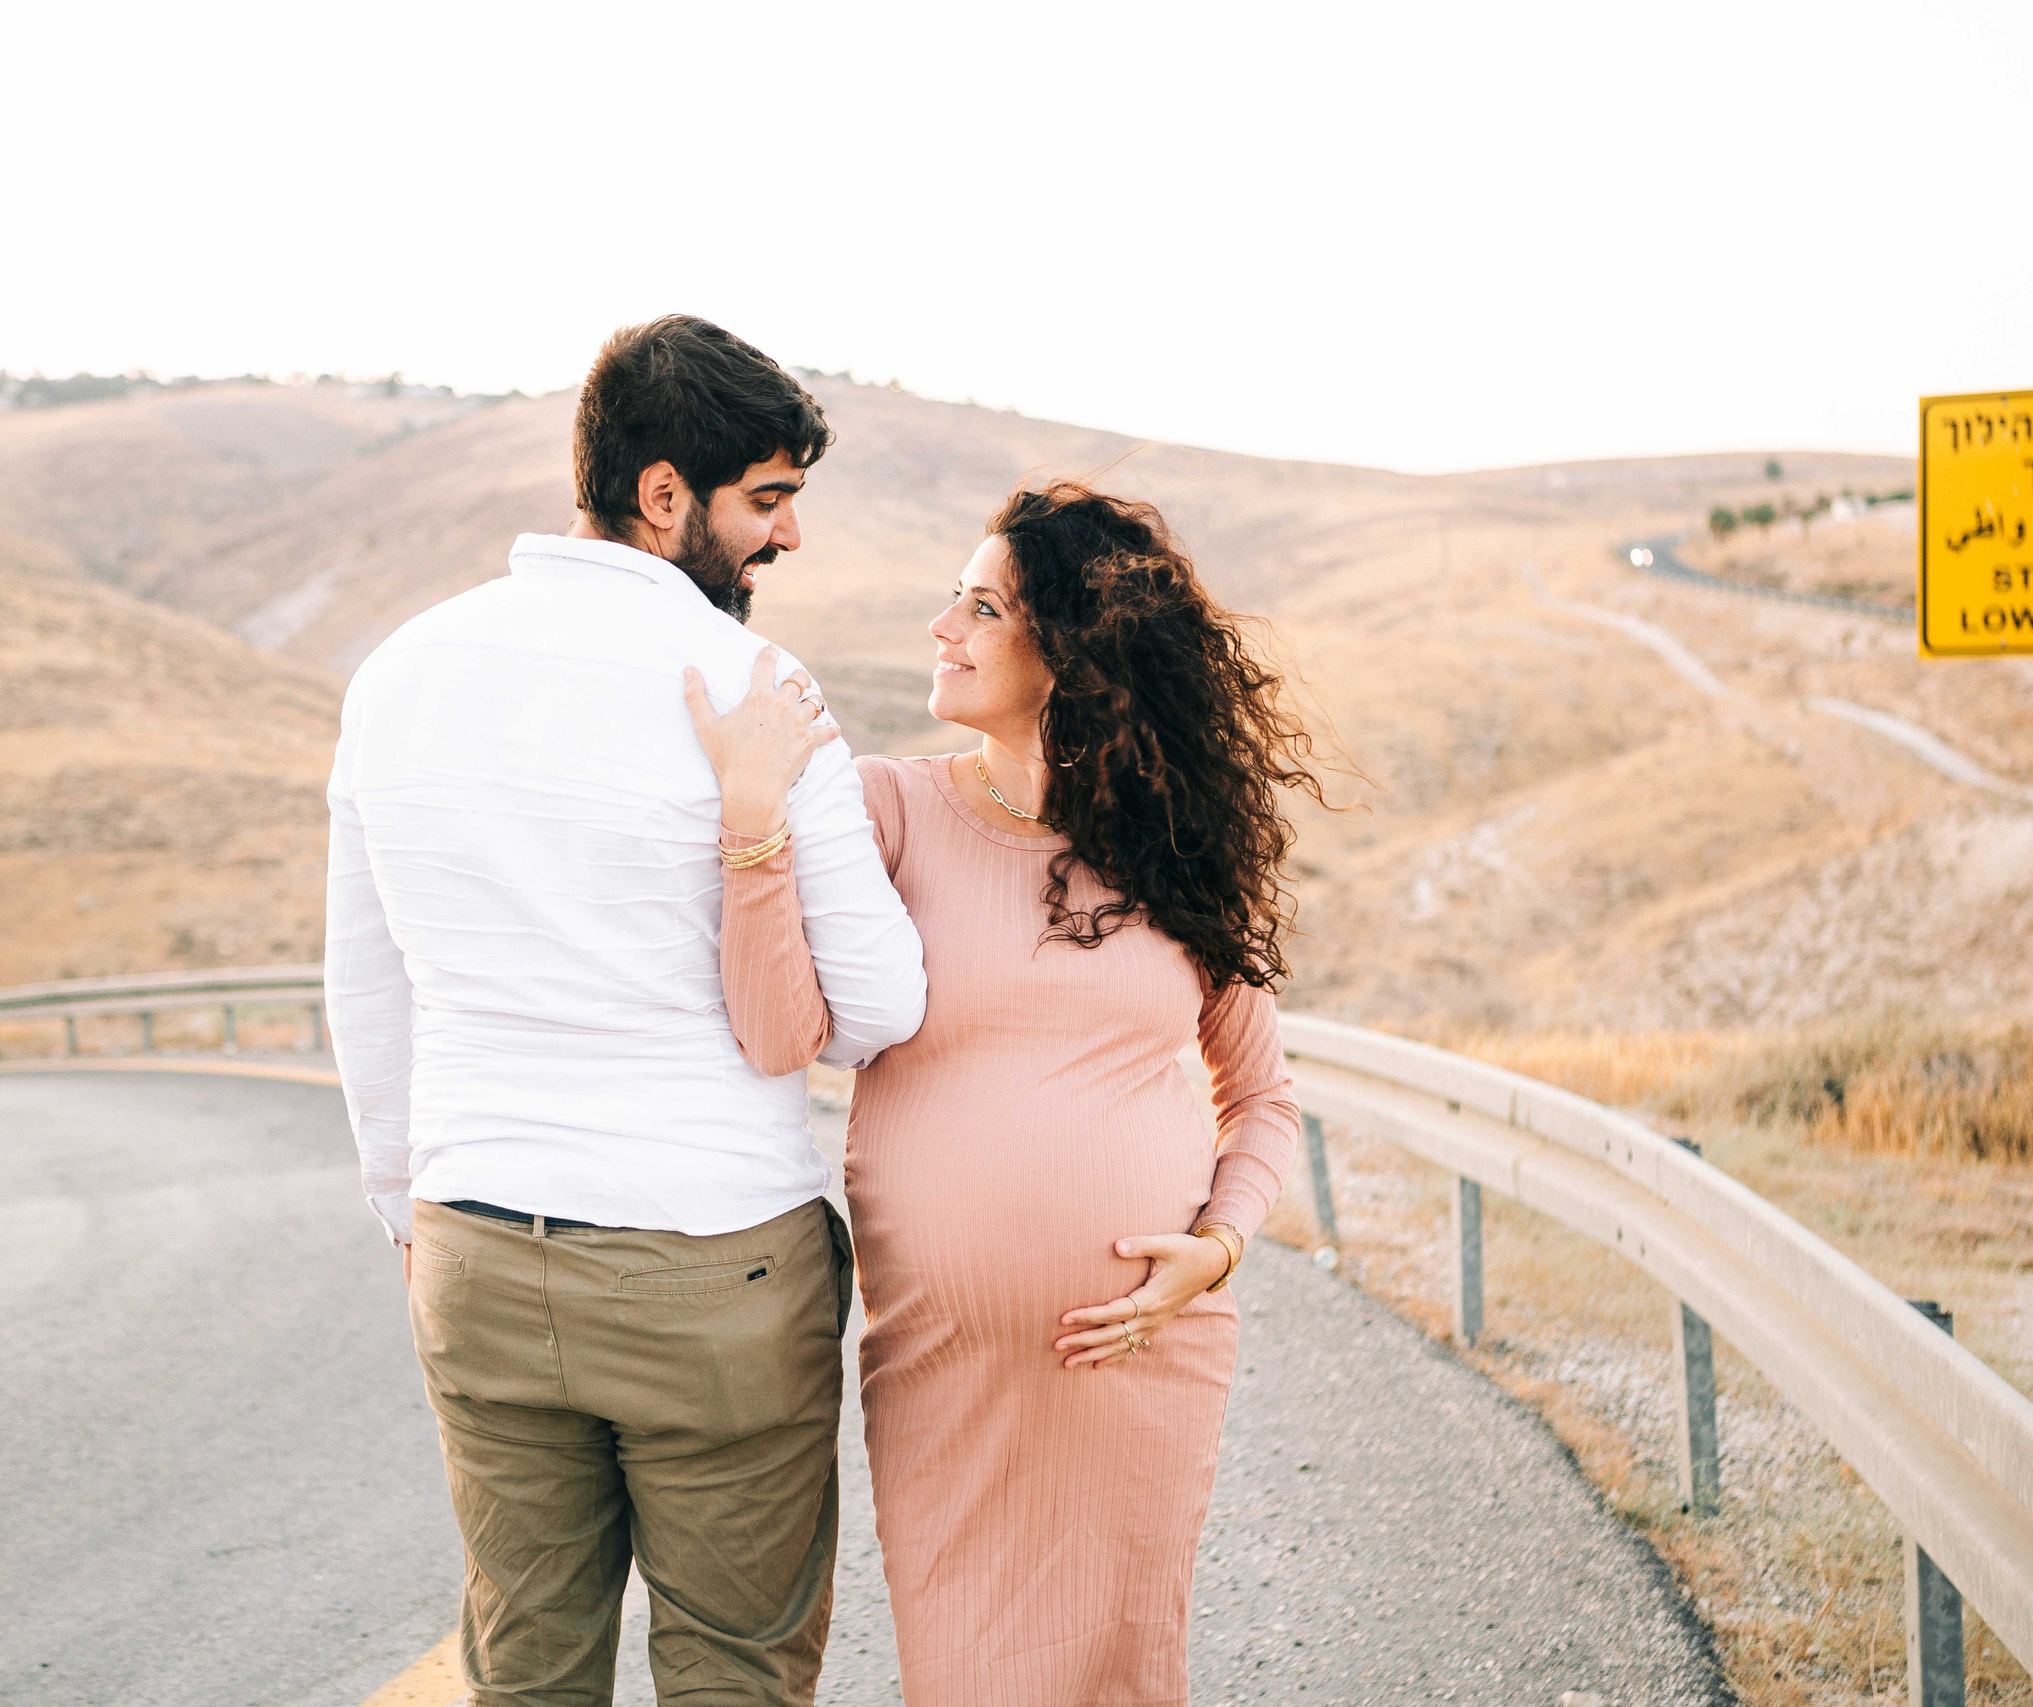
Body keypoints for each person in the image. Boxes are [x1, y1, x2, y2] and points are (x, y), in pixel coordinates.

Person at [324, 314, 928, 1707]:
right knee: (733, 1667)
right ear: (666, 494)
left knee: (525, 1667)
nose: (786, 538)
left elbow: (369, 982)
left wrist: (412, 1208)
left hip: (476, 1243)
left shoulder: (400, 670)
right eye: (766, 499)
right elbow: (879, 1007)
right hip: (711, 1258)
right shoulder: (751, 689)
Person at [685, 480, 1313, 1707]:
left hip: (1141, 1356)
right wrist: (753, 832)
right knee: (966, 1674)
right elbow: (778, 1033)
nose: (943, 627)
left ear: (1071, 649)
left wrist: (1217, 1252)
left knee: (1125, 1677)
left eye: (981, 607)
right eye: (952, 599)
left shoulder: (1174, 849)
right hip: (946, 1371)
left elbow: (1262, 1098)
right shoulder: (887, 810)